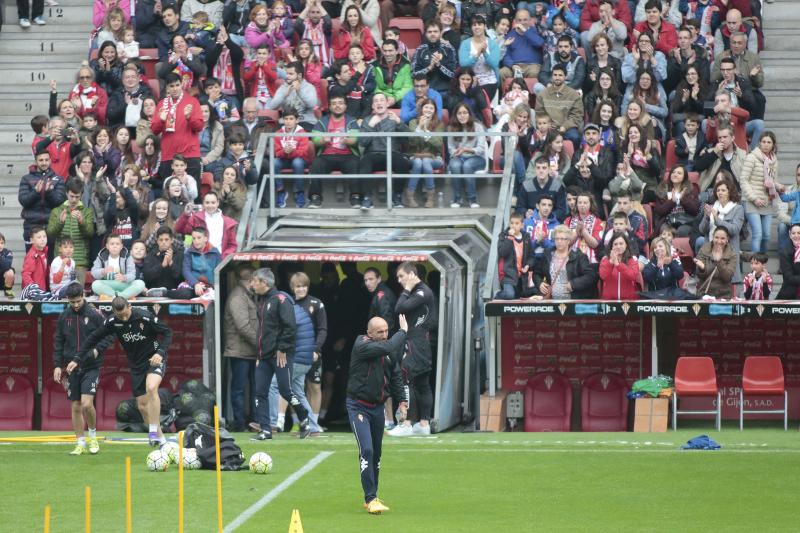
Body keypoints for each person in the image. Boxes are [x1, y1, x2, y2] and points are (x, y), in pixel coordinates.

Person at [69, 295, 173, 446]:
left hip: (154, 359)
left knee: (151, 387)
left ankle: (152, 432)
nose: (123, 318)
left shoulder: (144, 316)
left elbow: (168, 332)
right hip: (136, 365)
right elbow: (93, 338)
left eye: (125, 314)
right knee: (143, 407)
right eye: (119, 316)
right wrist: (77, 358)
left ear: (129, 307)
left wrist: (160, 353)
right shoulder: (112, 321)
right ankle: (162, 440)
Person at [347, 314, 408, 514]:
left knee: (377, 454)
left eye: (386, 331)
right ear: (369, 333)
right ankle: (371, 498)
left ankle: (373, 495)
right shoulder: (362, 345)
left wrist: (402, 402)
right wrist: (403, 332)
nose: (383, 335)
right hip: (358, 406)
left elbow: (396, 376)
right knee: (367, 450)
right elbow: (387, 346)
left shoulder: (388, 351)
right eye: (379, 332)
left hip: (377, 408)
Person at [250, 267, 311, 440]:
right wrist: (258, 354)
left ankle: (303, 415)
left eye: (255, 280)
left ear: (264, 283)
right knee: (260, 392)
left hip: (280, 355)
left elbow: (290, 326)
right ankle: (265, 430)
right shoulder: (262, 301)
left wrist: (282, 349)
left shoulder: (282, 299)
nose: (252, 284)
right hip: (264, 356)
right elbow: (262, 331)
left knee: (286, 391)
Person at [53, 283, 112, 455]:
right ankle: (80, 442)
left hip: (91, 365)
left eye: (78, 301)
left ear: (83, 296)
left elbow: (109, 334)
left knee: (87, 404)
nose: (76, 305)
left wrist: (96, 350)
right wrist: (57, 365)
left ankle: (93, 437)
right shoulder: (64, 316)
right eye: (72, 302)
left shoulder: (94, 314)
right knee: (76, 406)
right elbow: (58, 342)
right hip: (71, 367)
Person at [269, 272, 327, 434]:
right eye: (297, 286)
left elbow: (322, 329)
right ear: (292, 288)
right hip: (291, 354)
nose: (301, 289)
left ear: (308, 286)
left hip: (309, 353)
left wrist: (316, 349)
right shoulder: (288, 304)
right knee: (296, 389)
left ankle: (277, 422)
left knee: (309, 386)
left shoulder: (316, 304)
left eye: (304, 286)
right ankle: (303, 424)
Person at [387, 262, 436, 436]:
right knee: (422, 382)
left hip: (416, 342)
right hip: (419, 342)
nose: (399, 280)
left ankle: (406, 423)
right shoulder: (420, 292)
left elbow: (399, 308)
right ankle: (423, 424)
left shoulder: (422, 291)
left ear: (411, 274)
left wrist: (406, 289)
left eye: (401, 276)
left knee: (404, 376)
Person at [357, 93, 411, 209]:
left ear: (387, 104)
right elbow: (362, 142)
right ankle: (367, 198)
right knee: (363, 163)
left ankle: (396, 196)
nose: (379, 103)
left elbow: (406, 140)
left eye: (382, 100)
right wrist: (371, 126)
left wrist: (399, 123)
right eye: (376, 101)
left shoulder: (395, 119)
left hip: (392, 153)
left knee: (403, 163)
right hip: (372, 154)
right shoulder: (367, 120)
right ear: (372, 106)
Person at [308, 94, 361, 208]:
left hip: (347, 155)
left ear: (345, 106)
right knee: (316, 164)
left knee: (355, 164)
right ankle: (315, 197)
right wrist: (323, 140)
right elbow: (315, 139)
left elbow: (355, 139)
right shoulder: (322, 121)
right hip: (327, 155)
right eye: (334, 103)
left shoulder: (351, 121)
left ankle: (355, 197)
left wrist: (348, 141)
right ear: (330, 107)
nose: (337, 106)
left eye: (340, 103)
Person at [151, 73, 204, 184]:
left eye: (177, 85)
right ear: (166, 88)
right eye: (171, 86)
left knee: (194, 195)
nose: (175, 88)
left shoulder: (192, 102)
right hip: (169, 156)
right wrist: (161, 120)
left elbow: (199, 127)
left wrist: (190, 118)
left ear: (181, 85)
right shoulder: (161, 104)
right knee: (169, 196)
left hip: (190, 155)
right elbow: (154, 130)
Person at [223, 263, 258, 432]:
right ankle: (239, 423)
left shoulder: (247, 295)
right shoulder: (238, 297)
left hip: (248, 350)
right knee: (239, 389)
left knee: (251, 388)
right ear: (251, 280)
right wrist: (261, 344)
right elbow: (243, 327)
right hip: (240, 351)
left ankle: (252, 422)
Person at [47, 179, 95, 285]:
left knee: (77, 295)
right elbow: (50, 234)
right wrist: (60, 222)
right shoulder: (57, 211)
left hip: (79, 261)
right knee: (60, 293)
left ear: (81, 195)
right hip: (60, 261)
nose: (74, 200)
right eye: (71, 196)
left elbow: (90, 234)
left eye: (77, 197)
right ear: (66, 193)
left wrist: (82, 222)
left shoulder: (87, 212)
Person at [532, 224, 598, 299]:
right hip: (552, 300)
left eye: (563, 239)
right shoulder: (547, 254)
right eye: (557, 239)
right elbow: (536, 273)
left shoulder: (579, 256)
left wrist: (573, 284)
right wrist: (540, 283)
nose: (559, 241)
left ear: (569, 240)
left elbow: (590, 276)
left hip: (573, 300)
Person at [740, 131, 778, 255]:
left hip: (767, 201)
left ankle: (762, 264)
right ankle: (755, 266)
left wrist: (779, 186)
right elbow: (744, 180)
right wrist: (754, 198)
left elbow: (772, 181)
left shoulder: (774, 161)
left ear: (773, 145)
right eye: (763, 142)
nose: (766, 145)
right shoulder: (752, 157)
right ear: (759, 143)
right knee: (758, 234)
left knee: (766, 235)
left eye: (769, 142)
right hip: (752, 201)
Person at [406, 98, 445, 207]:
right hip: (415, 157)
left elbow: (438, 143)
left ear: (435, 111)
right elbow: (411, 142)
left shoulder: (439, 124)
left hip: (435, 158)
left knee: (426, 162)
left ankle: (430, 197)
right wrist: (419, 127)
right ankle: (410, 196)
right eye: (426, 107)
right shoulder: (413, 122)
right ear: (421, 109)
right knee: (419, 162)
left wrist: (425, 131)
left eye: (431, 108)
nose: (428, 110)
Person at [447, 103, 486, 208]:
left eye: (465, 113)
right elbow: (450, 148)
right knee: (455, 166)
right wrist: (458, 152)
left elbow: (481, 149)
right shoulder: (451, 128)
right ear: (456, 115)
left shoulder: (478, 127)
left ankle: (472, 199)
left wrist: (466, 149)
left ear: (469, 114)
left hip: (476, 157)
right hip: (458, 156)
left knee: (467, 166)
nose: (462, 115)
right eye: (459, 113)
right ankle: (457, 199)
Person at [534, 65, 584, 146]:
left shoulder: (573, 95)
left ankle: (574, 158)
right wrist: (546, 125)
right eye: (555, 75)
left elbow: (577, 116)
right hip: (548, 127)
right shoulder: (542, 94)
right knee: (539, 138)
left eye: (560, 75)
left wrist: (564, 127)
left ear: (565, 77)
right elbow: (540, 113)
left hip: (567, 128)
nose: (557, 78)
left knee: (575, 137)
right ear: (551, 76)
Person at [142, 227, 192, 299]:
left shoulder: (180, 254)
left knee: (186, 292)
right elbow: (147, 276)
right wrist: (162, 265)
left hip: (174, 293)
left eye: (166, 239)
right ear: (157, 241)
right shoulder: (150, 255)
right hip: (154, 294)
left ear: (171, 240)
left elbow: (182, 277)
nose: (164, 242)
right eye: (161, 240)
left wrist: (171, 263)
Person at [90, 234, 146, 299]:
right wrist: (103, 271)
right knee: (95, 284)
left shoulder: (127, 257)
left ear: (121, 246)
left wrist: (125, 277)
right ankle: (121, 296)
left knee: (140, 283)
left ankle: (119, 296)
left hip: (123, 284)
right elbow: (93, 272)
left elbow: (132, 274)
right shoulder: (101, 257)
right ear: (107, 246)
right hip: (108, 285)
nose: (115, 246)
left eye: (117, 244)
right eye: (112, 244)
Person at [266, 61, 319, 130]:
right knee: (274, 135)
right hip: (286, 122)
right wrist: (284, 95)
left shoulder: (309, 87)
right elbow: (272, 106)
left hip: (306, 121)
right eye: (287, 73)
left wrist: (299, 91)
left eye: (291, 74)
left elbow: (312, 104)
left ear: (299, 75)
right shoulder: (283, 88)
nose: (287, 76)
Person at [411, 21, 458, 98]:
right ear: (426, 34)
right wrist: (429, 67)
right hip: (424, 92)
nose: (432, 34)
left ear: (440, 33)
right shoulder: (420, 50)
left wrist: (439, 65)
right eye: (429, 32)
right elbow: (414, 74)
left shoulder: (449, 49)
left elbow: (453, 75)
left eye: (435, 31)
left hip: (445, 91)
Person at [495, 212, 535, 299]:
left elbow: (531, 256)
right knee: (509, 295)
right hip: (507, 274)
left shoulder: (526, 237)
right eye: (512, 223)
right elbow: (502, 252)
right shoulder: (503, 236)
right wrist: (510, 238)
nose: (513, 226)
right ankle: (497, 295)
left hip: (521, 276)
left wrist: (528, 265)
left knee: (518, 297)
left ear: (522, 225)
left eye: (517, 223)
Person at [653, 165, 700, 237]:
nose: (675, 174)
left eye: (679, 173)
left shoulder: (691, 190)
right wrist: (671, 202)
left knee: (682, 231)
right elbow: (659, 211)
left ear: (684, 177)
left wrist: (683, 199)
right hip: (667, 221)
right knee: (665, 231)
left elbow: (695, 210)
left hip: (686, 221)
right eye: (673, 172)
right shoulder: (662, 189)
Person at [499, 9, 545, 82]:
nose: (522, 22)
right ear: (515, 22)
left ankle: (529, 94)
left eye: (525, 20)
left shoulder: (535, 31)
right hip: (514, 66)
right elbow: (505, 54)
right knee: (502, 73)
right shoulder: (510, 35)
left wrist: (525, 31)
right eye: (519, 20)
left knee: (534, 73)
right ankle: (507, 94)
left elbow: (540, 43)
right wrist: (512, 65)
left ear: (530, 20)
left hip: (532, 66)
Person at [518, 156, 567, 221]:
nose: (541, 171)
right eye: (538, 168)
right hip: (531, 221)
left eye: (544, 168)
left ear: (549, 169)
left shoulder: (557, 186)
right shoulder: (526, 186)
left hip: (551, 222)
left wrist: (547, 217)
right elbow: (519, 207)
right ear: (535, 169)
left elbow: (562, 210)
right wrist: (526, 212)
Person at [694, 226, 736, 299]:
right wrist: (702, 269)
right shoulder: (704, 249)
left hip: (724, 294)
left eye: (722, 238)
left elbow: (727, 277)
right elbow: (699, 275)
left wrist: (719, 262)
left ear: (727, 240)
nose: (719, 241)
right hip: (704, 293)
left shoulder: (732, 254)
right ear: (712, 237)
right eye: (716, 237)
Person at [599, 232, 640, 299]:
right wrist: (610, 262)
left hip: (628, 301)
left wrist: (618, 265)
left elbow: (633, 276)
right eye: (615, 244)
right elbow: (603, 276)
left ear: (626, 244)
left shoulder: (632, 259)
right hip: (610, 300)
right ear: (611, 246)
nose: (618, 246)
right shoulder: (605, 259)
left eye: (621, 243)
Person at [375, 39, 414, 108]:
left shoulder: (405, 65)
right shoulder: (375, 65)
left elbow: (408, 86)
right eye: (385, 51)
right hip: (382, 96)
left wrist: (395, 98)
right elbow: (374, 86)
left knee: (409, 101)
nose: (387, 54)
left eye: (390, 51)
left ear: (397, 51)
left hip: (400, 96)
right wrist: (383, 96)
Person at [523, 194, 560, 259]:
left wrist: (544, 241)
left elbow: (557, 246)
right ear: (537, 206)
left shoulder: (556, 225)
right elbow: (522, 245)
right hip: (528, 260)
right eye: (543, 204)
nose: (546, 208)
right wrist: (537, 241)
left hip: (547, 261)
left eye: (549, 205)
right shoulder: (526, 222)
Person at [777, 224, 800, 300]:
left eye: (799, 233)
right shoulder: (784, 252)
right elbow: (788, 277)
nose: (796, 236)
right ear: (790, 235)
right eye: (793, 233)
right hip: (790, 290)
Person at [0, 233, 14, 298]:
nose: (0, 245)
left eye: (2, 243)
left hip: (3, 278)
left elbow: (7, 266)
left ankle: (8, 290)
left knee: (10, 272)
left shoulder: (8, 252)